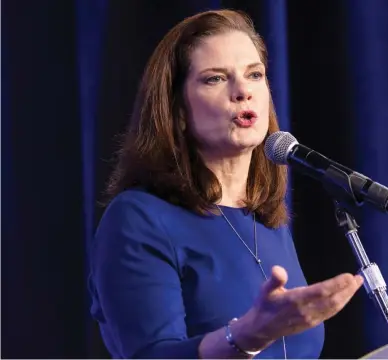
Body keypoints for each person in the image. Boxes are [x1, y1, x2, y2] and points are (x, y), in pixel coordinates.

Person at [88, 9, 363, 359]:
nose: (242, 91)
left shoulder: (265, 222)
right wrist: (246, 336)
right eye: (215, 79)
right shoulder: (138, 218)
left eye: (254, 74)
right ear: (178, 110)